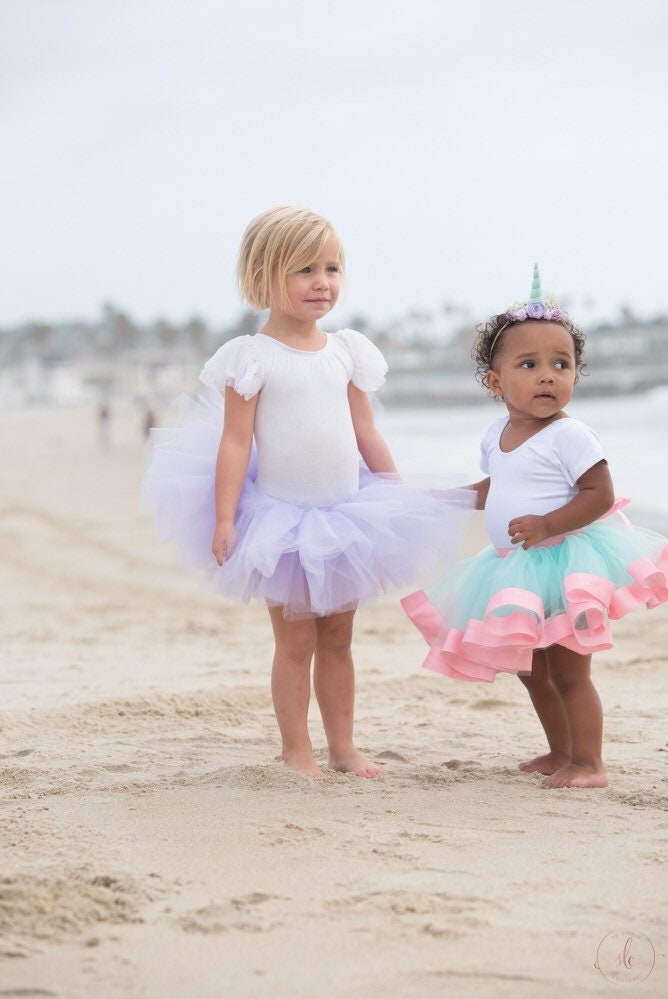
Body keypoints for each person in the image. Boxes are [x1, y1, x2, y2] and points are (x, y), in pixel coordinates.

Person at [142, 206, 471, 779]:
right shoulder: (252, 357)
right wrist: (225, 518)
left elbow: (365, 430)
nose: (322, 282)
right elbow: (235, 444)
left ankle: (343, 747)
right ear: (264, 277)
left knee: (339, 639)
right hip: (283, 522)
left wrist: (394, 493)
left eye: (332, 268)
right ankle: (298, 751)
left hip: (347, 517)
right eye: (304, 270)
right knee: (295, 642)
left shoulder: (345, 350)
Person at [402, 265, 668, 789]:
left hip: (566, 563)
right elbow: (496, 487)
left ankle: (589, 764)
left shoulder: (571, 436)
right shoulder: (497, 433)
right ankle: (559, 750)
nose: (548, 374)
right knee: (533, 670)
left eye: (561, 364)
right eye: (530, 364)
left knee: (570, 671)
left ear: (575, 374)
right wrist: (450, 499)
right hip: (517, 568)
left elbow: (600, 496)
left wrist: (548, 523)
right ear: (496, 382)